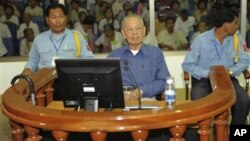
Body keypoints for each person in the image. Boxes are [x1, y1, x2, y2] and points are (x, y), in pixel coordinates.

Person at [182, 8, 250, 125]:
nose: (237, 26)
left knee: (243, 100)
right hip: (204, 80)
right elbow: (187, 64)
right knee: (199, 104)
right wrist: (207, 74)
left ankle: (237, 134)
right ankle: (203, 135)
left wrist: (232, 71)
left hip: (228, 79)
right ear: (226, 25)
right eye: (235, 23)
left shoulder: (237, 38)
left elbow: (245, 60)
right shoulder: (201, 40)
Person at [107, 14, 170, 101]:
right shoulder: (114, 55)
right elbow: (106, 82)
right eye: (130, 29)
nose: (134, 32)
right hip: (121, 99)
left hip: (146, 98)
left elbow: (164, 81)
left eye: (138, 28)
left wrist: (141, 91)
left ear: (144, 31)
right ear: (123, 33)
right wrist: (119, 94)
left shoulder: (155, 53)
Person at [22, 3, 93, 75]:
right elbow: (33, 61)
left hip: (70, 79)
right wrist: (27, 69)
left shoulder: (77, 36)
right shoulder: (39, 39)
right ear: (47, 20)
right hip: (46, 81)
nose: (58, 21)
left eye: (61, 17)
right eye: (53, 17)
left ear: (66, 18)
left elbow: (89, 58)